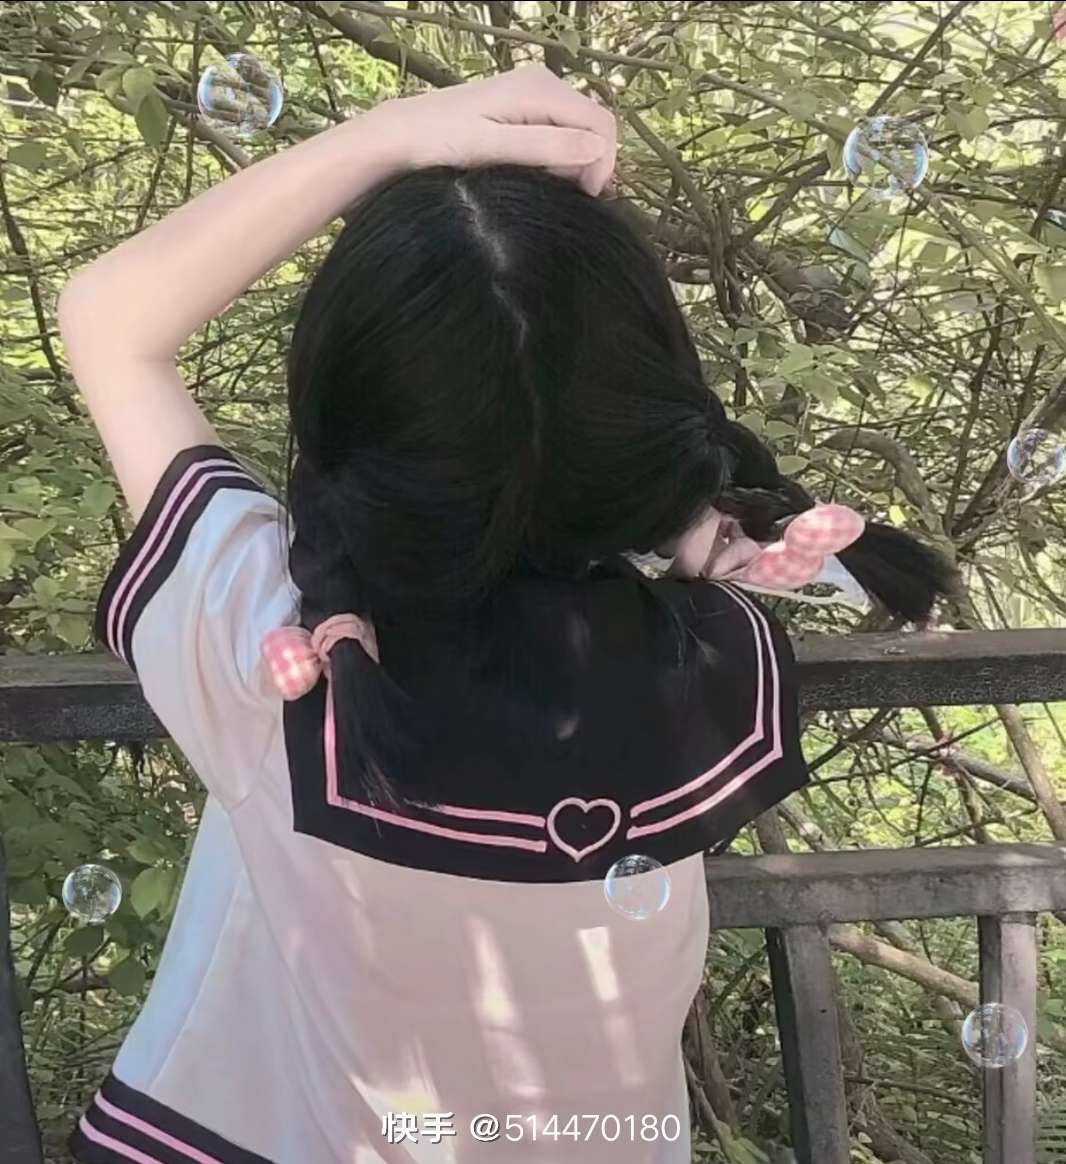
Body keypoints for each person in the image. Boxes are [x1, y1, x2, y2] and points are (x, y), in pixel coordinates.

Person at [58, 66, 954, 1164]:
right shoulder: (706, 653)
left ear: (341, 410)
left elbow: (109, 320)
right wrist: (696, 528)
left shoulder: (278, 654)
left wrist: (388, 137)